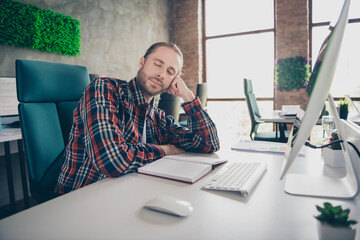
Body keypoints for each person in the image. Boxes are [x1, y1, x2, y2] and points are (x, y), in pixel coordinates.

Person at [55, 42, 220, 194]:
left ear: (172, 81)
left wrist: (188, 95)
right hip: (83, 195)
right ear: (142, 62)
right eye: (157, 64)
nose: (161, 74)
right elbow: (112, 161)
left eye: (170, 72)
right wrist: (166, 150)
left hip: (129, 193)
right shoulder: (105, 89)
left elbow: (209, 144)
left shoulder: (159, 118)